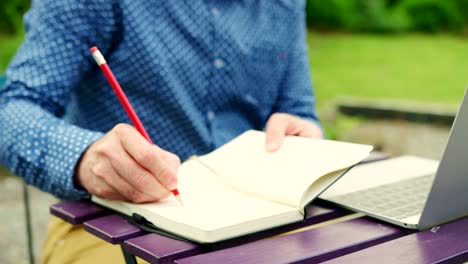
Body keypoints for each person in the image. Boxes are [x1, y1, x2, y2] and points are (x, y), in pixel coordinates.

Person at [0, 1, 323, 263]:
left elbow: (298, 112)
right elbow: (12, 109)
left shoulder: (286, 5)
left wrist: (302, 136)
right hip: (113, 221)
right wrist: (84, 158)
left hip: (259, 220)